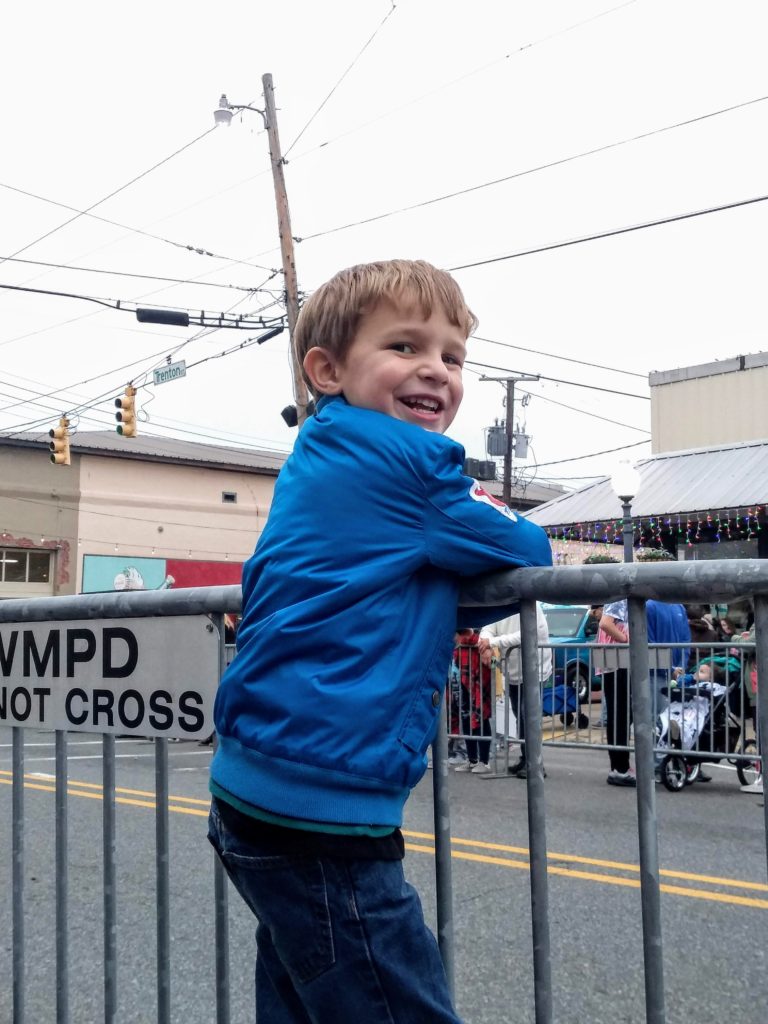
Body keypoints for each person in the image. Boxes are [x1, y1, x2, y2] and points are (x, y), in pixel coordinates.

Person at [207, 258, 552, 1023]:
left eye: (452, 356)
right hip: (323, 811)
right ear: (326, 369)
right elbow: (530, 551)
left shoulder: (321, 451)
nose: (434, 371)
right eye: (405, 347)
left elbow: (369, 585)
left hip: (254, 786)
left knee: (304, 997)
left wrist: (427, 590)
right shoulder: (415, 466)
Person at [478, 603, 553, 779]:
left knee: (530, 717)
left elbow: (527, 633)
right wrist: (485, 644)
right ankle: (525, 758)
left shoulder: (532, 606)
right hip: (512, 670)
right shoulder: (500, 607)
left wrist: (492, 642)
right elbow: (487, 629)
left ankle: (535, 763)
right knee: (520, 717)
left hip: (535, 670)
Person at [452, 628, 493, 773]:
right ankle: (472, 759)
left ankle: (484, 760)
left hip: (479, 682)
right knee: (466, 717)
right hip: (462, 679)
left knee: (481, 718)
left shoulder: (480, 639)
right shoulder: (460, 643)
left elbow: (494, 662)